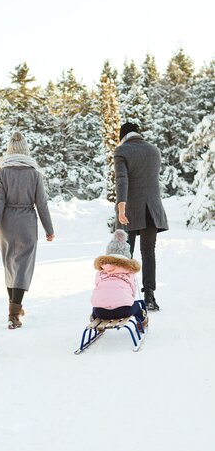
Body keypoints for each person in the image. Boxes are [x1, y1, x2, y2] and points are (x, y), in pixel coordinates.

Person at [0, 131, 55, 329]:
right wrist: (48, 229)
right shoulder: (34, 173)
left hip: (6, 224)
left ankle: (13, 308)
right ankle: (14, 312)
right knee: (23, 267)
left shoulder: (2, 173)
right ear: (26, 150)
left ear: (9, 150)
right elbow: (41, 203)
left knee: (10, 265)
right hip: (26, 223)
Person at [114, 122, 169, 311]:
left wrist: (121, 207)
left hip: (129, 210)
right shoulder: (154, 151)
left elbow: (122, 180)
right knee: (148, 252)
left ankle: (123, 295)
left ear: (123, 136)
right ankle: (149, 296)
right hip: (152, 209)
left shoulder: (122, 151)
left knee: (125, 253)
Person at [91, 229, 148, 327]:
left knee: (100, 297)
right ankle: (142, 320)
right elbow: (132, 292)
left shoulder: (102, 271)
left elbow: (97, 286)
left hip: (100, 312)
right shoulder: (129, 271)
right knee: (136, 306)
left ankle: (94, 316)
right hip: (123, 310)